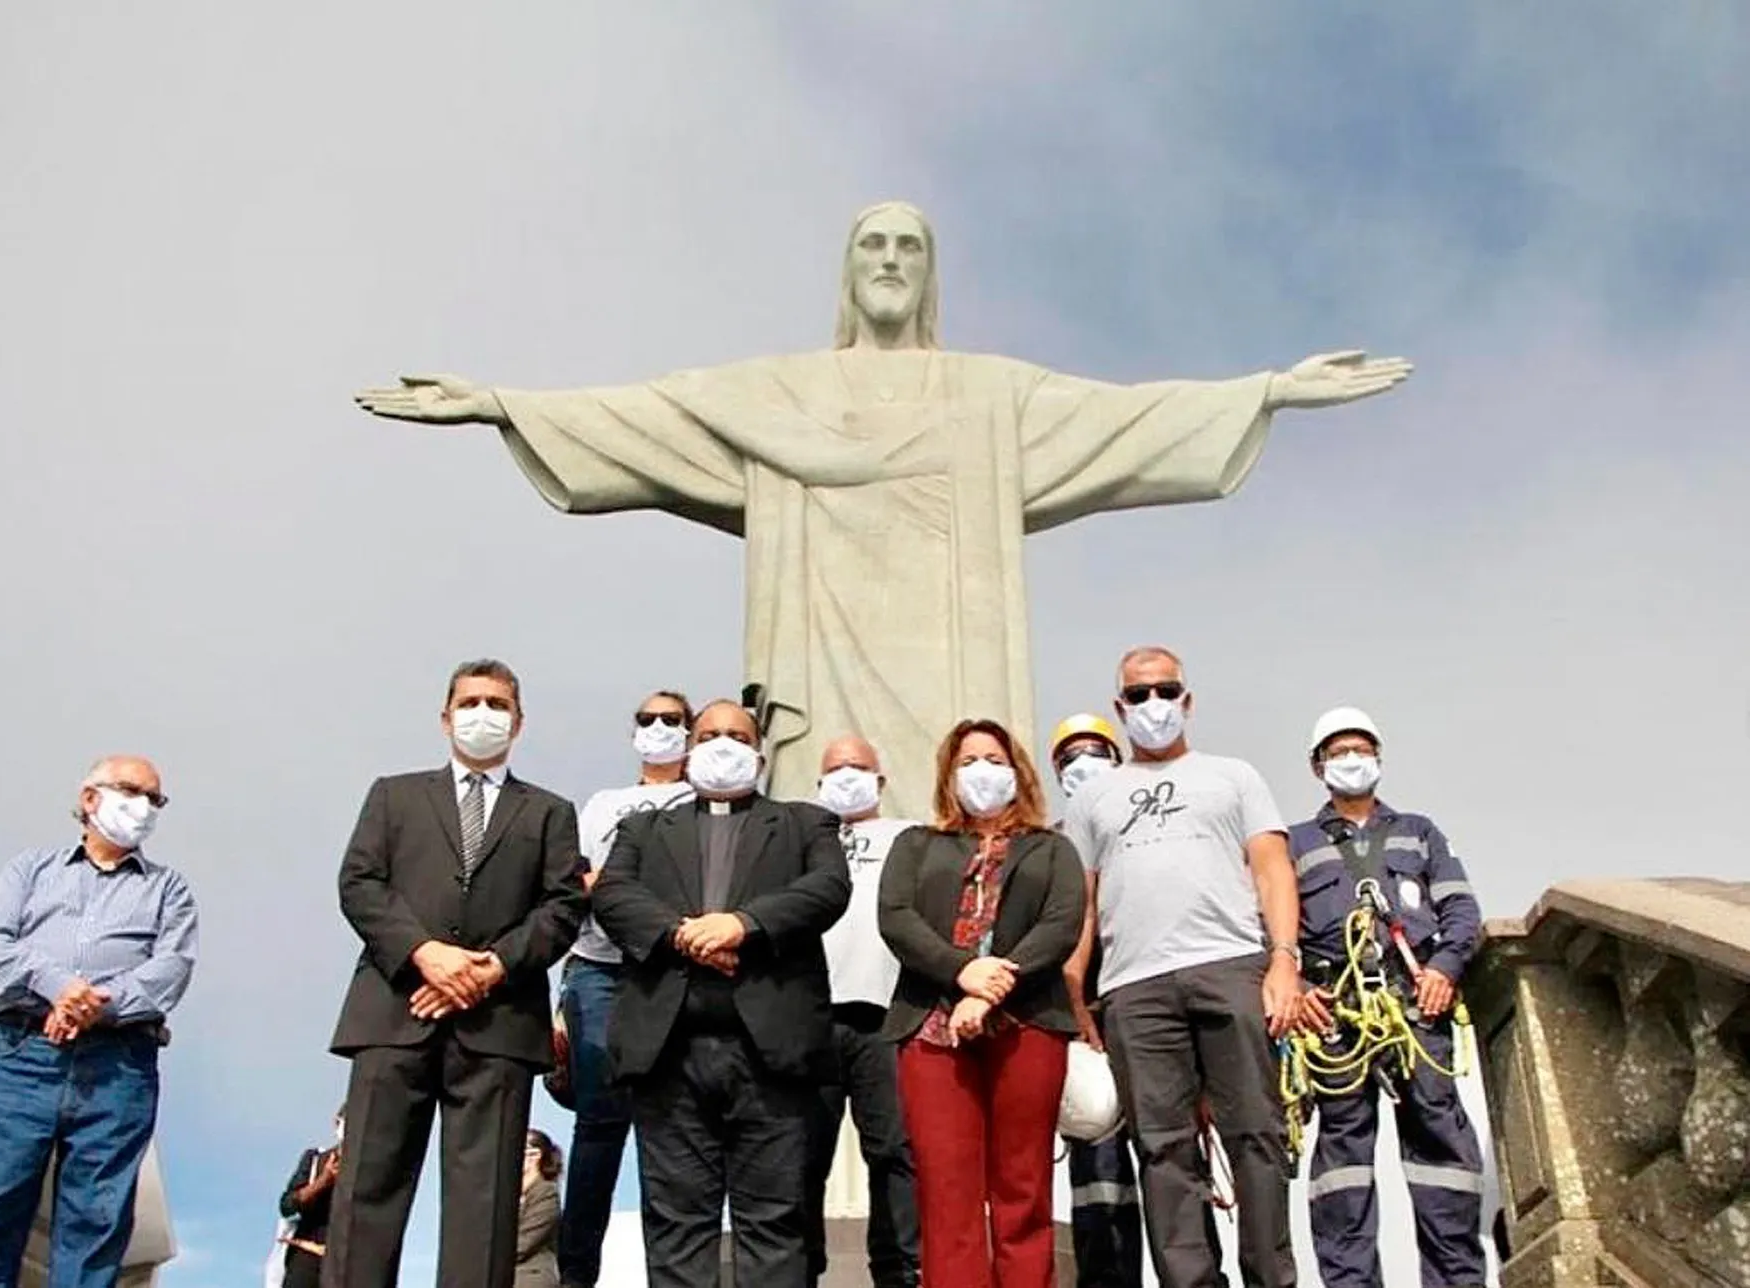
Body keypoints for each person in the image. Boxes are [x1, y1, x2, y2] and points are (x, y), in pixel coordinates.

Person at [355, 202, 1412, 822]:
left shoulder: (989, 396)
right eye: (874, 248)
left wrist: (1264, 389)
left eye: (910, 248)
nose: (892, 264)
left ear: (930, 273)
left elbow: (1126, 421)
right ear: (848, 273)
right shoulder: (777, 395)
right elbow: (647, 417)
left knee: (958, 823)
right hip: (821, 679)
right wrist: (504, 404)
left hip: (959, 681)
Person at [323, 659, 586, 1288]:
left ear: (518, 723)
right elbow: (360, 884)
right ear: (445, 718)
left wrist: (493, 966)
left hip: (497, 1023)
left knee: (484, 1208)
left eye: (497, 704)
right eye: (470, 702)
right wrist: (424, 955)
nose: (483, 715)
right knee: (367, 1193)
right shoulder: (395, 795)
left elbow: (564, 906)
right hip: (395, 1012)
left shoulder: (548, 812)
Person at [1066, 648, 1322, 1288]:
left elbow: (1271, 870)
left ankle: (1272, 1277)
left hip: (1229, 965)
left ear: (1187, 699)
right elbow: (1082, 903)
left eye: (1166, 690)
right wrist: (1073, 989)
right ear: (1120, 707)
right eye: (1138, 694)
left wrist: (1283, 961)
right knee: (1162, 1148)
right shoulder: (1093, 798)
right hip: (1134, 987)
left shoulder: (1233, 776)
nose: (1153, 704)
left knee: (1256, 1135)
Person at [591, 700, 852, 1288]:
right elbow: (612, 896)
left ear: (759, 753)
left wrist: (744, 925)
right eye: (709, 734)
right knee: (676, 1224)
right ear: (689, 747)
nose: (722, 744)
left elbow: (827, 889)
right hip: (668, 1052)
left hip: (772, 1055)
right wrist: (683, 935)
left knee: (775, 1222)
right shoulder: (644, 828)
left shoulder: (807, 823)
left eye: (737, 735)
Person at [0, 755, 198, 1288]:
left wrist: (93, 1006)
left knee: (96, 1229)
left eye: (156, 799)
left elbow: (169, 972)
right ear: (89, 798)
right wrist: (60, 988)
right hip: (20, 1058)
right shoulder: (28, 871)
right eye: (133, 790)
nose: (144, 807)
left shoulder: (169, 890)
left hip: (118, 1068)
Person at [878, 718, 1086, 1288]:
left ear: (1018, 772)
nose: (981, 772)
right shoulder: (916, 845)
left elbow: (1061, 923)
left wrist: (995, 986)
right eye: (967, 761)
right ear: (948, 776)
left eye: (994, 760)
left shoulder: (1052, 848)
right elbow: (896, 919)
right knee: (947, 1191)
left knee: (1023, 1187)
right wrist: (963, 972)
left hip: (1028, 1024)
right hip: (931, 1028)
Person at [1289, 707, 1487, 1288]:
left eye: (1361, 749)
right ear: (1317, 765)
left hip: (1415, 1010)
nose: (1352, 761)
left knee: (1441, 1155)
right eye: (1339, 752)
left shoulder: (1419, 832)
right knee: (1342, 1169)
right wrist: (1299, 990)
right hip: (1339, 1020)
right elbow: (1269, 931)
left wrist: (1444, 969)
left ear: (1378, 757)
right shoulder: (1294, 844)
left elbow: (1461, 911)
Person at [1052, 715, 1231, 1288]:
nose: (1082, 766)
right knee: (1100, 1179)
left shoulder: (1151, 826)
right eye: (1069, 759)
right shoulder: (1053, 847)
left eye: (1093, 753)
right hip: (1088, 1032)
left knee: (1176, 1164)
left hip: (1158, 1020)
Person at [558, 689, 698, 1288]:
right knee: (598, 1125)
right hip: (596, 969)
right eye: (648, 719)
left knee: (670, 1132)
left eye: (672, 719)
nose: (660, 727)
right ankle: (576, 1274)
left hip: (670, 972)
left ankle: (671, 1273)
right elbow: (576, 881)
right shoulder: (605, 804)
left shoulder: (704, 801)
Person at [803, 735, 922, 1288]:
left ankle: (900, 1272)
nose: (847, 776)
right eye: (835, 769)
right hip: (810, 1020)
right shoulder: (803, 837)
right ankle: (797, 1270)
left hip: (887, 1016)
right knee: (801, 1157)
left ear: (881, 779)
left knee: (896, 1153)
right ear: (818, 782)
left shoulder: (910, 838)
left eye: (859, 767)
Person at [273, 1109, 344, 1288]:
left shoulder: (370, 1169)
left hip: (347, 1263)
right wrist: (323, 1181)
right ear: (337, 1123)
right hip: (306, 1259)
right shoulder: (315, 1159)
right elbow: (287, 1206)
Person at [516, 1129, 565, 1288]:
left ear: (535, 1155)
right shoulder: (507, 1196)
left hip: (530, 1277)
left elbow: (524, 1242)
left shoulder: (546, 1193)